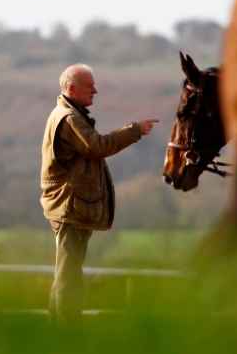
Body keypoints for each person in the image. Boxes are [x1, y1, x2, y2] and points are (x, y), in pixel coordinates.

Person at [40, 64, 157, 323]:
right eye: (89, 85)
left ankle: (56, 334)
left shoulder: (67, 115)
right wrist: (134, 131)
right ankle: (67, 335)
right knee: (68, 278)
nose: (96, 90)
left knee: (66, 274)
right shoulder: (69, 118)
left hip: (69, 208)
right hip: (69, 209)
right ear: (71, 88)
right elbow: (97, 146)